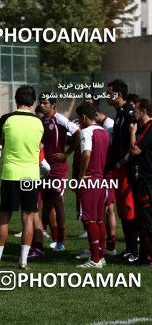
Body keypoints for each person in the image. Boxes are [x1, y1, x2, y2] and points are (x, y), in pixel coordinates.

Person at [0, 85, 44, 270]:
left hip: (11, 173)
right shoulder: (38, 122)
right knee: (27, 218)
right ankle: (23, 260)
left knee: (4, 216)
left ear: (16, 99)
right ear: (33, 101)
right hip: (30, 174)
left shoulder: (7, 118)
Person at [38, 93, 80, 251]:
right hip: (44, 167)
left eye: (45, 103)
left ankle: (61, 241)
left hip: (58, 167)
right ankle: (55, 239)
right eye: (41, 103)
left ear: (53, 105)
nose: (42, 105)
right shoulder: (41, 121)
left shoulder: (59, 118)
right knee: (47, 202)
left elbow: (77, 132)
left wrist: (66, 153)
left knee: (57, 200)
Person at [107, 79, 139, 263]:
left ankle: (134, 251)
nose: (107, 95)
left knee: (129, 208)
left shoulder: (128, 113)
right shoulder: (119, 113)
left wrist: (123, 161)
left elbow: (132, 143)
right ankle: (128, 249)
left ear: (118, 94)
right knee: (122, 209)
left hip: (126, 169)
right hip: (118, 169)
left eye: (109, 92)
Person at [75, 104, 110, 268]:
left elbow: (87, 153)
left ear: (83, 117)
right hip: (102, 180)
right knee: (99, 219)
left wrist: (81, 175)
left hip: (90, 180)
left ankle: (95, 259)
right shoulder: (104, 132)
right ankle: (101, 256)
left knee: (89, 220)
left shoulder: (87, 132)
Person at [129, 98, 152, 267]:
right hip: (141, 180)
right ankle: (144, 256)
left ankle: (149, 258)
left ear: (144, 111)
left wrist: (132, 132)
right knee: (142, 221)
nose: (133, 113)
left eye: (135, 110)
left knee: (147, 220)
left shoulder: (149, 128)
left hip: (148, 181)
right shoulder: (144, 128)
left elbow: (135, 150)